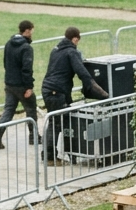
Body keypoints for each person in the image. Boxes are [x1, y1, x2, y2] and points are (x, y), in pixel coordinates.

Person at [40, 26, 108, 163]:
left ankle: (58, 154)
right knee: (56, 124)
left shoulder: (56, 49)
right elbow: (82, 72)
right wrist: (101, 93)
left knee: (57, 122)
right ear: (75, 39)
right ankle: (50, 157)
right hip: (58, 91)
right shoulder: (71, 52)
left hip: (49, 89)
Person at [0, 20, 37, 149]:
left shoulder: (8, 44)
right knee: (31, 109)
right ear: (27, 31)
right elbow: (27, 69)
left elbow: (5, 63)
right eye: (32, 30)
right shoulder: (26, 48)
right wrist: (29, 87)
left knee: (9, 110)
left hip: (9, 84)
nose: (33, 33)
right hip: (21, 85)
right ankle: (33, 136)